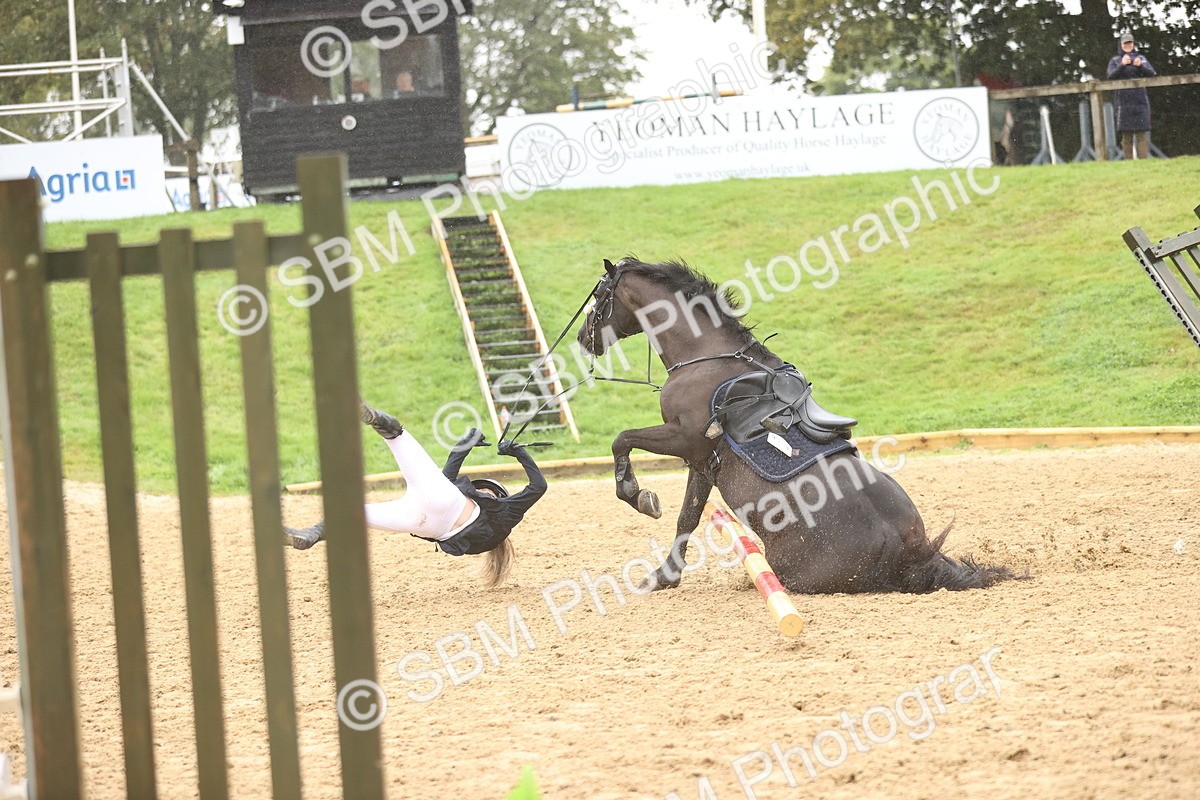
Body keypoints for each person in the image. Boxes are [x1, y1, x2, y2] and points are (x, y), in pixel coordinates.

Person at [283, 402, 547, 587]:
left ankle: (368, 414)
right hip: (424, 522)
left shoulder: (505, 512)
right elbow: (450, 472)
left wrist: (517, 452)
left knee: (396, 434)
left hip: (439, 506)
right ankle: (310, 535)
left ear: (497, 495)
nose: (481, 490)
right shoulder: (496, 529)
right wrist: (501, 450)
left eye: (485, 490)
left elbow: (538, 486)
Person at [1106, 32, 1156, 160]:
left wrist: (1141, 66)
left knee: (1141, 132)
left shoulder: (1141, 58)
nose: (1128, 45)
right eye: (1125, 43)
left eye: (1130, 43)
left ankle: (1143, 161)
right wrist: (1122, 66)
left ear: (1133, 44)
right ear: (1121, 45)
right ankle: (1128, 163)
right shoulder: (1115, 60)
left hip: (1140, 100)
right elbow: (1110, 77)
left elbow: (1152, 74)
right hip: (1123, 102)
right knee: (1126, 134)